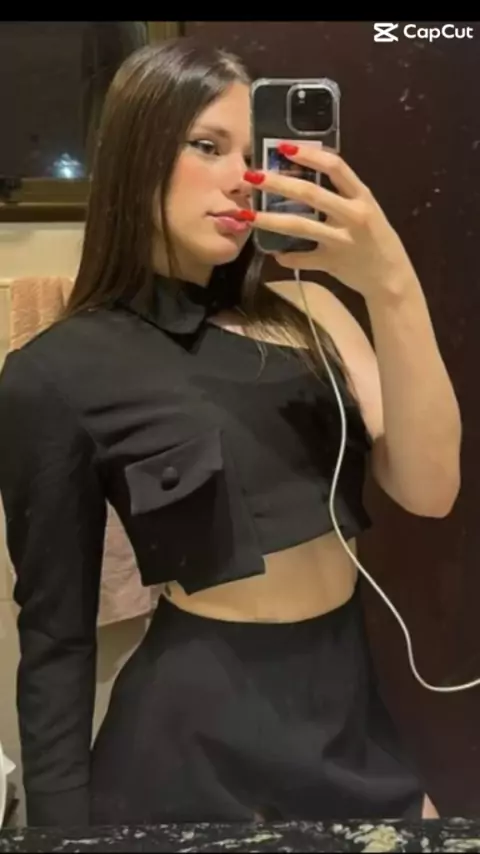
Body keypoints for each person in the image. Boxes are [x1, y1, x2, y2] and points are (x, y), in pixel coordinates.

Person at [0, 38, 461, 828]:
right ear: (138, 153)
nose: (242, 178)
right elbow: (54, 636)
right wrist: (59, 838)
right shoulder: (58, 372)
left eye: (256, 154)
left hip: (349, 711)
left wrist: (390, 281)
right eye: (207, 146)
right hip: (194, 740)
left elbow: (430, 490)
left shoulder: (314, 312)